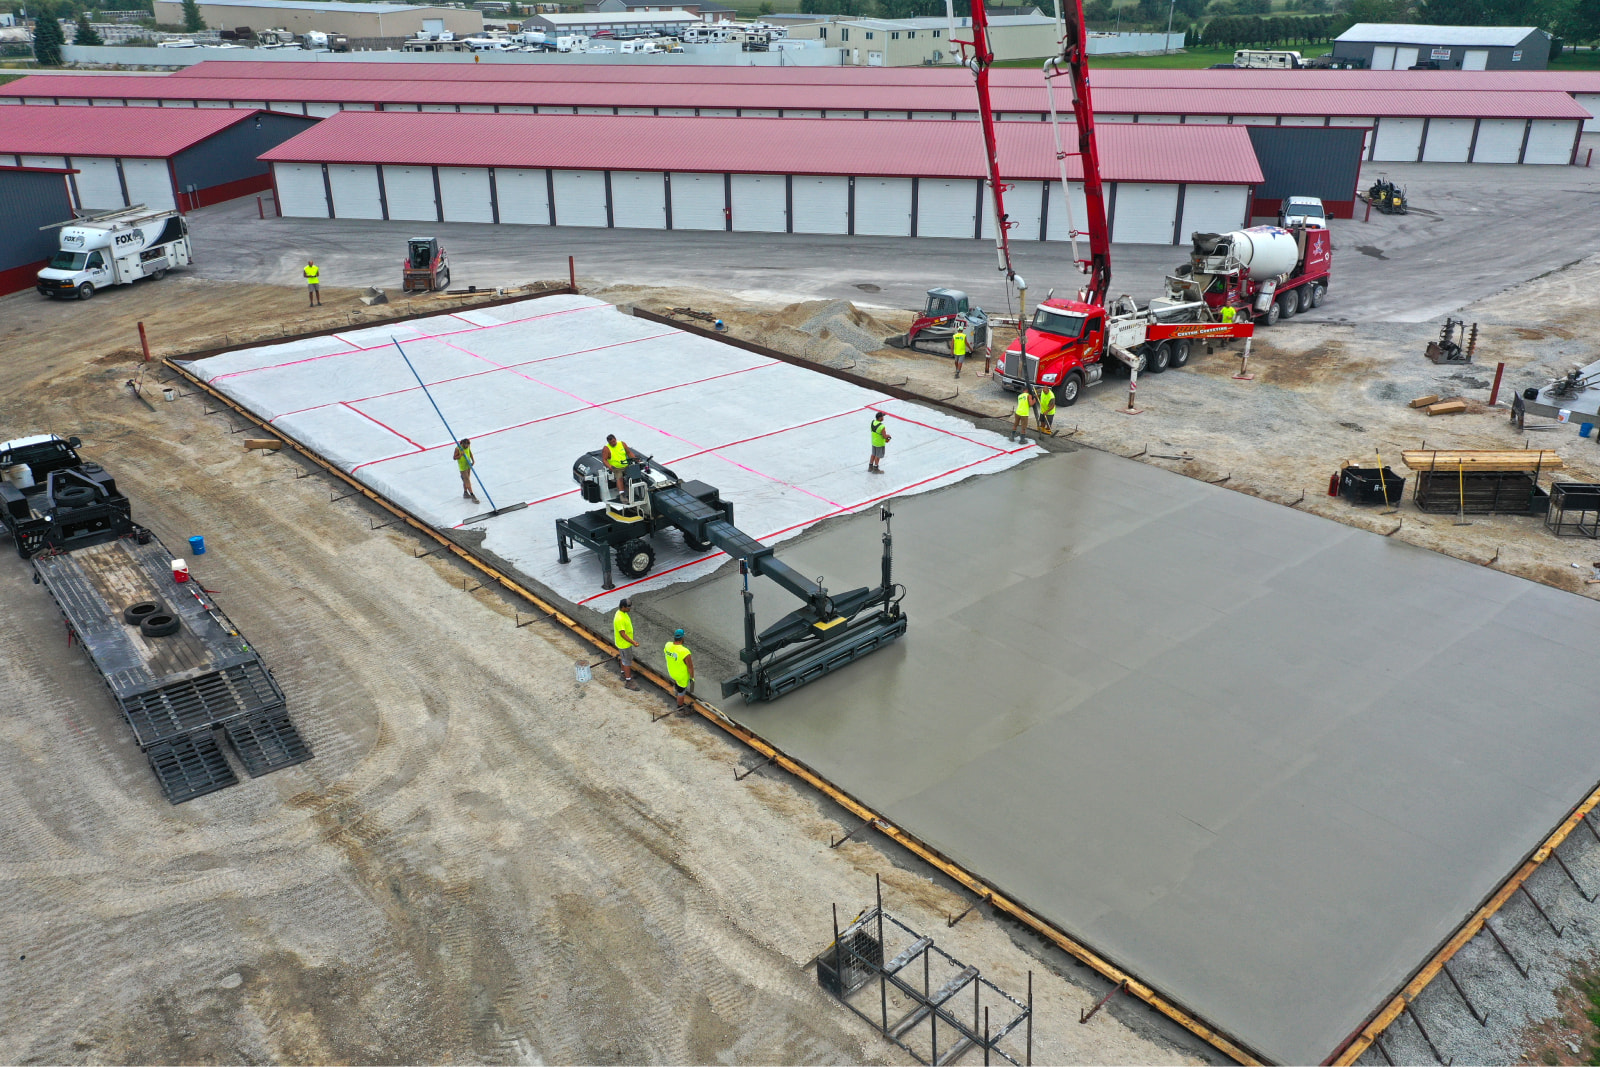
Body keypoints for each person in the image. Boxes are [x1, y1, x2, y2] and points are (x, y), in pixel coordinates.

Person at [663, 628, 694, 711]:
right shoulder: (685, 652)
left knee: (677, 683)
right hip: (681, 676)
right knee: (682, 691)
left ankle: (675, 691)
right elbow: (690, 667)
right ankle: (679, 708)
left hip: (672, 671)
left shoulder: (668, 645)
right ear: (682, 638)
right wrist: (692, 678)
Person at [614, 598, 639, 691]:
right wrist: (633, 642)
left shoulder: (622, 613)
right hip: (624, 644)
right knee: (627, 661)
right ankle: (628, 681)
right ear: (623, 607)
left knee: (623, 658)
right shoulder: (620, 618)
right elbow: (622, 634)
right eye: (628, 607)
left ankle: (623, 673)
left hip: (623, 643)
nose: (630, 609)